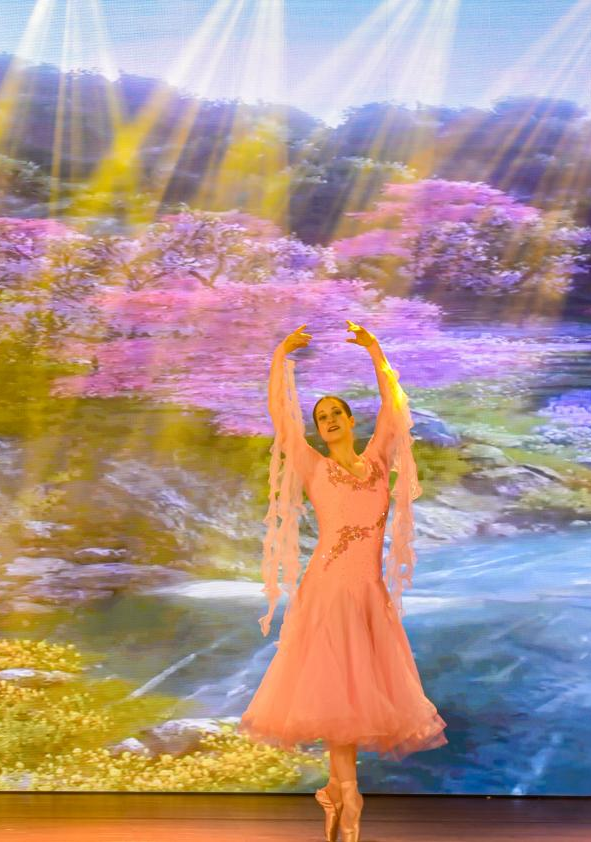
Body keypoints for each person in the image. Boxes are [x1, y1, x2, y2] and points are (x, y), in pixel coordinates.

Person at [240, 320, 446, 842]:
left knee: (353, 698)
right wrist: (279, 357)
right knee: (338, 693)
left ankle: (336, 793)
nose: (329, 420)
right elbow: (282, 420)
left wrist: (375, 351)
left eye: (336, 413)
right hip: (329, 590)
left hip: (368, 594)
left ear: (352, 420)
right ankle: (349, 797)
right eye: (322, 417)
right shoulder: (313, 468)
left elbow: (395, 409)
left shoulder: (377, 461)